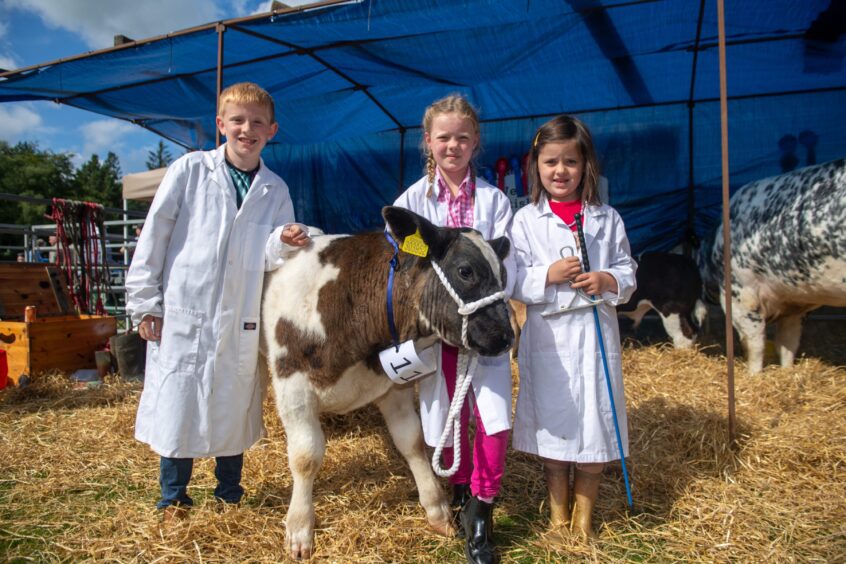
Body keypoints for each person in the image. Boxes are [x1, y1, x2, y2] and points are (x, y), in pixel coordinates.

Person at [125, 82, 310, 523]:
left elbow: (268, 256)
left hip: (239, 316)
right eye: (239, 120)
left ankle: (229, 493)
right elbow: (155, 235)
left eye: (258, 123)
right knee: (179, 404)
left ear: (272, 130)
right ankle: (173, 497)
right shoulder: (189, 170)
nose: (248, 129)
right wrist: (145, 303)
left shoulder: (274, 188)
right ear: (221, 124)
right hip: (185, 309)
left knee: (233, 402)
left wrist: (283, 241)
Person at [394, 94, 515, 564]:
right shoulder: (412, 202)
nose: (453, 145)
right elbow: (399, 267)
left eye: (463, 137)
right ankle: (462, 493)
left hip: (482, 332)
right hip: (435, 336)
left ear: (475, 143)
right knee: (446, 421)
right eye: (443, 137)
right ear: (428, 141)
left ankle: (482, 512)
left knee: (493, 421)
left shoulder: (494, 201)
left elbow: (510, 264)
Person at [509, 115, 636, 539]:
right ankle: (557, 518)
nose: (560, 171)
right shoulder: (525, 220)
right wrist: (549, 274)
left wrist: (608, 280)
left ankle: (584, 522)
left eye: (569, 162)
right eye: (550, 163)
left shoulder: (607, 217)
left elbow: (627, 270)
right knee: (557, 424)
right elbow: (514, 278)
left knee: (596, 424)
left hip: (596, 332)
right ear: (536, 167)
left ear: (586, 167)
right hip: (550, 338)